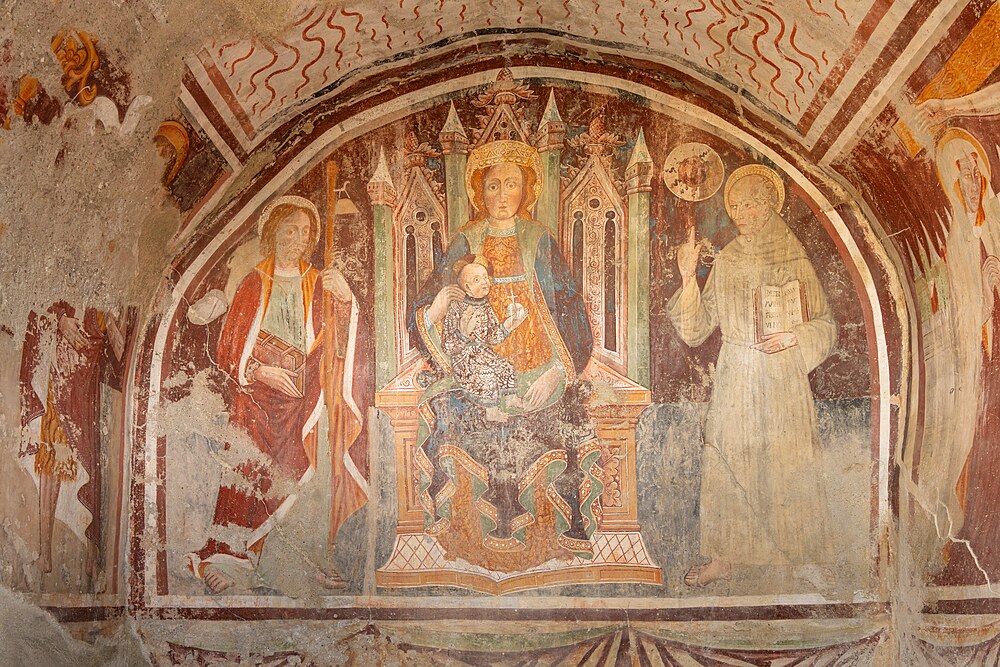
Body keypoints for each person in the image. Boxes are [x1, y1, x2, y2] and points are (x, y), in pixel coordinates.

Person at [406, 139, 598, 572]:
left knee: (561, 424)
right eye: (492, 186)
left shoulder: (539, 240)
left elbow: (570, 310)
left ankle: (557, 539)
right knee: (455, 421)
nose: (502, 195)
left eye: (512, 185)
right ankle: (471, 541)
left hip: (538, 368)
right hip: (476, 371)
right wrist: (436, 309)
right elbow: (430, 305)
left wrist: (557, 371)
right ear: (479, 193)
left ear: (527, 191)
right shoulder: (465, 241)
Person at [185, 195, 368, 593]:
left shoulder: (318, 281)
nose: (298, 239)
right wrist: (259, 371)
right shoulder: (255, 281)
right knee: (247, 473)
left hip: (305, 399)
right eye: (290, 230)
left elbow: (336, 340)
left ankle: (304, 562)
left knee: (306, 479)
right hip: (256, 400)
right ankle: (231, 558)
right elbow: (229, 346)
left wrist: (346, 298)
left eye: (305, 232)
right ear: (273, 233)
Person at [666, 164, 837, 587]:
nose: (744, 213)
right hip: (738, 370)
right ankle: (725, 556)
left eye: (754, 203)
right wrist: (688, 278)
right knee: (730, 460)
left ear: (771, 206)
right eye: (737, 205)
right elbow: (697, 327)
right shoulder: (727, 259)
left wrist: (793, 337)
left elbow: (826, 326)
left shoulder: (794, 256)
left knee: (788, 458)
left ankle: (802, 554)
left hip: (782, 372)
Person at [20, 303, 126, 587]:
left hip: (88, 387)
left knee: (92, 464)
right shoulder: (65, 291)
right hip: (59, 376)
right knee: (51, 461)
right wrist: (60, 320)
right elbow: (39, 305)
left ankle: (93, 559)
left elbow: (119, 350)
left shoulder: (105, 303)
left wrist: (112, 325)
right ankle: (45, 553)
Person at [441, 255, 527, 422]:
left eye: (485, 277)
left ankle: (511, 400)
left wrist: (509, 325)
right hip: (465, 360)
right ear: (467, 287)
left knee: (506, 367)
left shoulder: (486, 306)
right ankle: (492, 412)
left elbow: (493, 337)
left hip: (485, 354)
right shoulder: (456, 307)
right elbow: (448, 346)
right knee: (487, 376)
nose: (484, 282)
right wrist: (463, 334)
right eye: (477, 279)